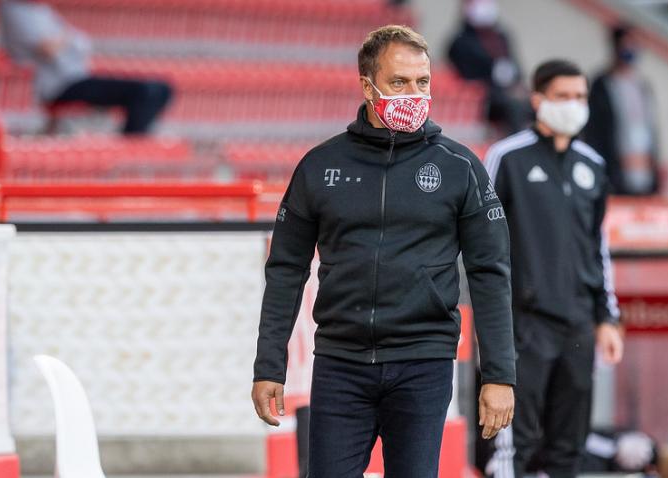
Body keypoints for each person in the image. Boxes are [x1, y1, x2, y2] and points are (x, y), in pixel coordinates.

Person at [251, 25, 516, 477]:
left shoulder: (460, 167)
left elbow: (490, 272)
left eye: (423, 82)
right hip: (340, 364)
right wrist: (268, 365)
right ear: (367, 85)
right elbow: (285, 270)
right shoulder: (321, 166)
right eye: (399, 83)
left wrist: (499, 375)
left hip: (424, 363)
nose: (414, 93)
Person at [482, 60, 623, 478]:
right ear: (538, 99)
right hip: (523, 325)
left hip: (579, 324)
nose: (574, 105)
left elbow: (598, 246)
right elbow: (483, 245)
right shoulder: (506, 158)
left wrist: (607, 317)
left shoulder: (592, 165)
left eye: (580, 97)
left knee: (569, 448)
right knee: (514, 447)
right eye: (564, 96)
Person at [0, 0, 173, 136]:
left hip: (77, 77)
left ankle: (134, 140)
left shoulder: (39, 10)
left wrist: (63, 37)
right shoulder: (15, 9)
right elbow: (48, 48)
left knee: (161, 88)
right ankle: (130, 145)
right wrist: (65, 35)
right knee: (144, 91)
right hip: (60, 85)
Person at [581, 25, 662, 196]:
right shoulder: (602, 86)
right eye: (627, 44)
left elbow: (650, 130)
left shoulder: (642, 86)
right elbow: (596, 133)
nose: (631, 49)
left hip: (643, 176)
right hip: (615, 177)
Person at [448, 0, 532, 137]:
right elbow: (466, 73)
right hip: (485, 96)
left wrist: (516, 84)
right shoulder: (461, 40)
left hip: (509, 90)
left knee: (535, 102)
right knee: (514, 106)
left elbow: (515, 65)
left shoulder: (501, 37)